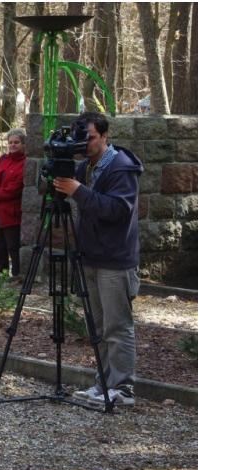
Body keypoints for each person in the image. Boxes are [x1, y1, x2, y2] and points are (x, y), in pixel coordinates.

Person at [54, 111, 144, 407]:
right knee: (99, 327)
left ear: (105, 136)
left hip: (115, 259)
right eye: (83, 138)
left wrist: (78, 191)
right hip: (89, 254)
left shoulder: (121, 167)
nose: (85, 144)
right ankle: (103, 383)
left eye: (91, 138)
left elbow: (117, 210)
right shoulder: (85, 166)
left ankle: (122, 389)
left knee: (117, 327)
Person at [0, 128, 27, 281]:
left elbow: (17, 186)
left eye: (16, 142)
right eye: (10, 142)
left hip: (11, 213)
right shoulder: (2, 160)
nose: (12, 145)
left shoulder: (25, 163)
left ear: (23, 144)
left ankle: (16, 275)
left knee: (13, 246)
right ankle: (0, 275)